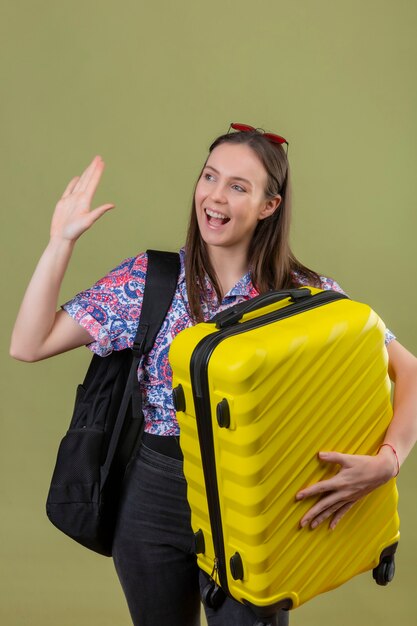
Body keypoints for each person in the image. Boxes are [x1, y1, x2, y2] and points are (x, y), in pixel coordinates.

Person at [10, 124, 417, 626]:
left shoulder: (309, 297)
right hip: (153, 497)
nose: (215, 197)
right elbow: (28, 344)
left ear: (270, 205)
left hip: (256, 496)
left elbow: (410, 372)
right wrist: (60, 242)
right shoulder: (150, 279)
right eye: (210, 177)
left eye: (238, 186)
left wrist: (389, 459)